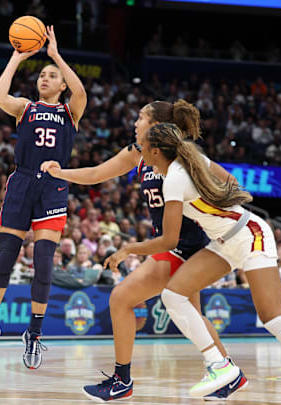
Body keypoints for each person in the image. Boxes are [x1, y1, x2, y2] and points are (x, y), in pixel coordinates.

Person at [104, 122, 281, 404]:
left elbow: (169, 240)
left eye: (144, 150)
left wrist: (127, 250)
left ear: (157, 151)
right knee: (173, 295)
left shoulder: (173, 178)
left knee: (273, 319)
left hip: (251, 235)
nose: (141, 157)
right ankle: (221, 366)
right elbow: (231, 181)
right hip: (224, 241)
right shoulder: (190, 160)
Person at [42, 100, 244, 401]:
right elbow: (98, 173)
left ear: (155, 125)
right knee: (192, 317)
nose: (135, 123)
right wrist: (61, 173)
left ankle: (122, 380)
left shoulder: (183, 155)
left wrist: (212, 212)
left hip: (183, 243)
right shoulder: (136, 153)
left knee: (121, 298)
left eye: (140, 118)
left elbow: (231, 183)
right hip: (171, 243)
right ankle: (231, 375)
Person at [0, 25, 87, 370]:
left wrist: (56, 55)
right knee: (5, 259)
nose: (45, 78)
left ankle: (34, 334)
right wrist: (16, 57)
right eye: (42, 74)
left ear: (62, 85)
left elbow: (81, 91)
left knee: (43, 264)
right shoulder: (25, 107)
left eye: (52, 75)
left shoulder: (70, 112)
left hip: (53, 187)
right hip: (22, 183)